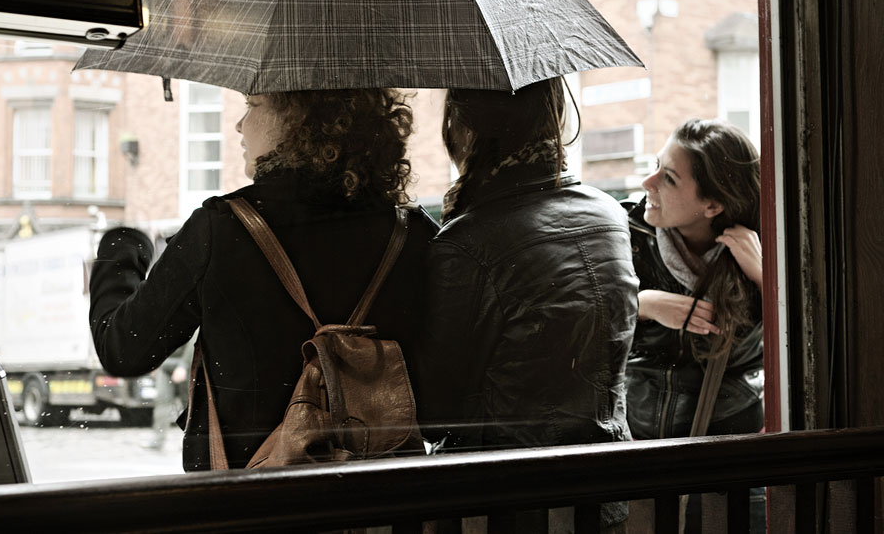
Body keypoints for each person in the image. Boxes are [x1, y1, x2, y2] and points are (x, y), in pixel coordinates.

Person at [89, 89, 436, 471]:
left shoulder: (221, 229)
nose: (240, 125)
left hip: (255, 502)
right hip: (384, 499)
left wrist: (120, 247)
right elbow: (442, 395)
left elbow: (124, 348)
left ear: (298, 120)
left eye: (252, 106)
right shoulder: (415, 234)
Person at [413, 79, 638, 532]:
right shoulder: (608, 215)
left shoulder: (468, 242)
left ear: (464, 128)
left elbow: (435, 412)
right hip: (603, 491)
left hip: (504, 501)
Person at [623, 118, 763, 533]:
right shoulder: (626, 233)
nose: (648, 182)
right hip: (640, 451)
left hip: (729, 459)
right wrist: (643, 304)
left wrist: (764, 276)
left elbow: (798, 337)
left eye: (667, 177)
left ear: (713, 205)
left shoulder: (765, 246)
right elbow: (581, 323)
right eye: (655, 166)